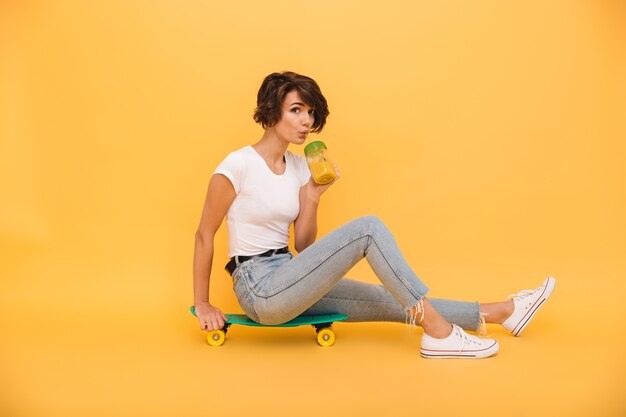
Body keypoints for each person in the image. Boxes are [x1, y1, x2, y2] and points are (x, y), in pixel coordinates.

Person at [192, 71, 556, 359]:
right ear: (271, 113)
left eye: (310, 112)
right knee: (368, 229)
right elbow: (204, 235)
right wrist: (204, 302)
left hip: (290, 272)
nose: (307, 121)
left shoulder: (300, 168)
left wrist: (314, 197)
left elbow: (303, 244)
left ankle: (504, 312)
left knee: (390, 297)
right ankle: (440, 336)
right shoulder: (237, 165)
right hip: (258, 287)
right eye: (296, 110)